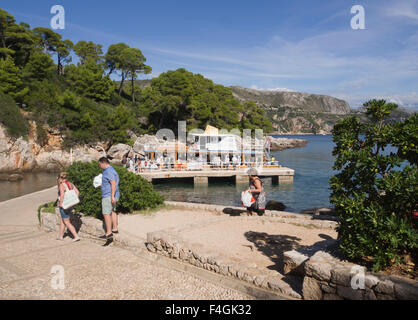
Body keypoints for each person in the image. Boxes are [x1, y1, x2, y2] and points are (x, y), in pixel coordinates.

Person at [98, 157, 120, 239]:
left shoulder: (108, 171)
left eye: (100, 164)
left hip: (108, 195)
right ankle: (115, 228)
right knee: (113, 211)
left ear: (103, 163)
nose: (100, 166)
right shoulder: (112, 169)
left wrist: (112, 196)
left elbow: (113, 183)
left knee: (106, 213)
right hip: (114, 195)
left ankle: (109, 233)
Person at [56, 172, 80, 242]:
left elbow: (62, 195)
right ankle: (60, 236)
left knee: (67, 222)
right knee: (63, 220)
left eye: (58, 178)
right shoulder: (70, 184)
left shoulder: (61, 185)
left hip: (64, 205)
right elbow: (77, 192)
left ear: (60, 178)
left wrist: (60, 203)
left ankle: (76, 236)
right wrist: (74, 200)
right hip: (70, 205)